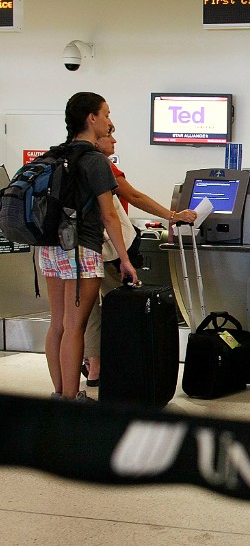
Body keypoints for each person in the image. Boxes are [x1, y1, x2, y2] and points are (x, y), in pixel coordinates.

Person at [80, 125, 198, 387]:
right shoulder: (101, 165)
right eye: (109, 133)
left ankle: (94, 367)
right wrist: (173, 216)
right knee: (125, 304)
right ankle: (127, 363)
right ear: (95, 138)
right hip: (108, 249)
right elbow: (133, 196)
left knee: (87, 311)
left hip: (79, 248)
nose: (114, 139)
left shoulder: (70, 161)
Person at [42, 92, 137, 402]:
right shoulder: (94, 160)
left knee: (57, 323)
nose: (110, 122)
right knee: (75, 327)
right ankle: (72, 399)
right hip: (81, 249)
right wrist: (124, 259)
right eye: (106, 114)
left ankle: (58, 394)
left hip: (49, 247)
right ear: (91, 119)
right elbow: (109, 215)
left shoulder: (55, 154)